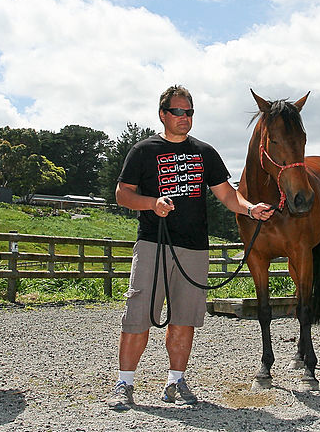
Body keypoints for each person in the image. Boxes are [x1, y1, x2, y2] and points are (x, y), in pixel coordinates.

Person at [109, 85, 274, 410]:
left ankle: (175, 381)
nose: (185, 118)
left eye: (190, 112)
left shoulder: (205, 153)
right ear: (163, 114)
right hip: (153, 244)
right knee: (138, 316)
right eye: (178, 112)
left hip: (195, 249)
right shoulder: (143, 151)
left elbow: (228, 194)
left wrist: (250, 208)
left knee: (184, 319)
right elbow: (122, 194)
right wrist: (151, 203)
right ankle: (124, 383)